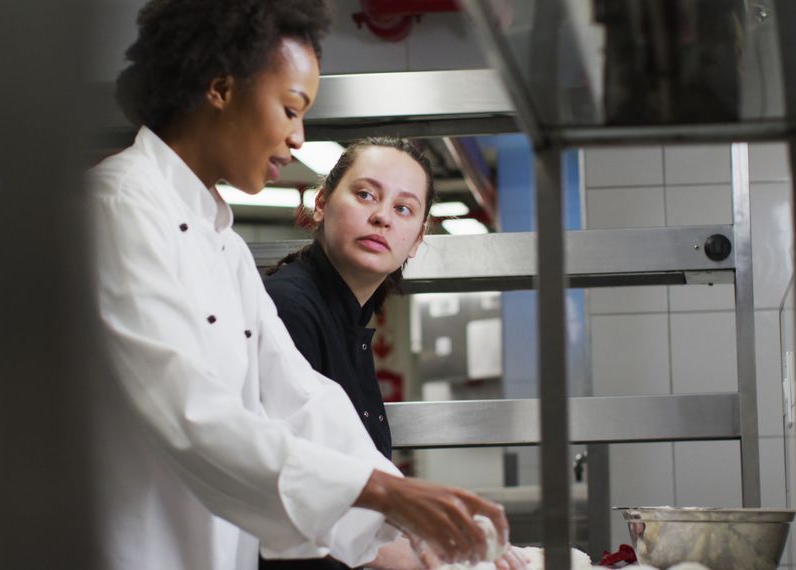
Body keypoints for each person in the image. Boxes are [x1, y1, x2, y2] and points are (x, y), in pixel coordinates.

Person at [86, 2, 512, 569]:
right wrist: (387, 496)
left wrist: (407, 514)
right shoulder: (116, 205)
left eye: (406, 209)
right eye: (290, 110)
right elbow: (189, 412)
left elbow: (303, 401)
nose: (297, 138)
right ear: (220, 89)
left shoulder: (224, 245)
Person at [261, 139, 531, 570]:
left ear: (418, 236)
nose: (382, 217)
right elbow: (288, 486)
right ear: (322, 203)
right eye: (365, 194)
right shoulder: (288, 310)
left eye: (404, 208)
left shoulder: (348, 321)